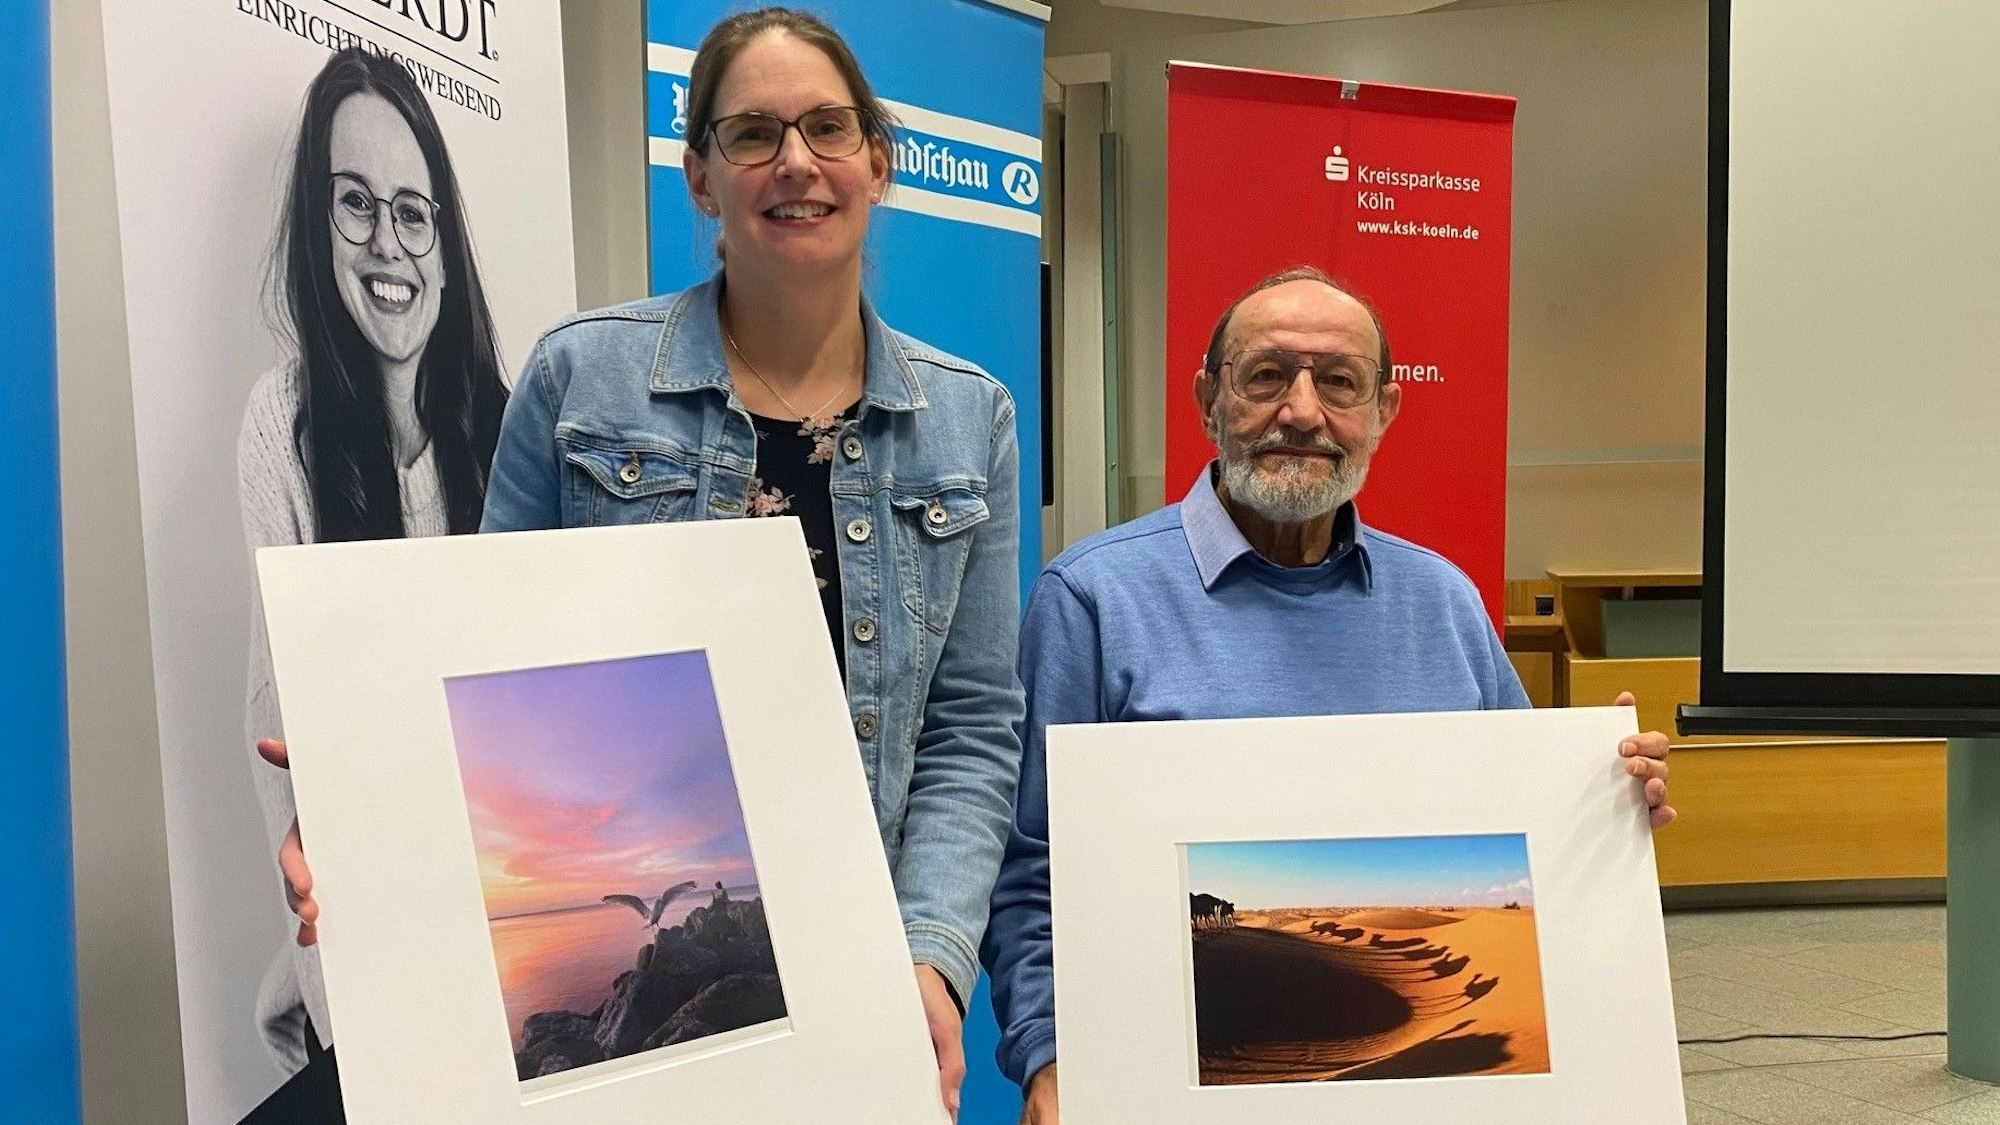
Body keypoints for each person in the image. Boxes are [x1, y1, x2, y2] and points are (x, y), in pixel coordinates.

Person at [264, 10, 1025, 1120]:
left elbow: (969, 730)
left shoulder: (970, 421)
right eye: (752, 133)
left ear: (877, 160)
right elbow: (477, 664)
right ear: (701, 177)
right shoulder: (582, 378)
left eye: (825, 128)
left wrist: (927, 957)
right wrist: (357, 778)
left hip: (855, 972)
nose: (795, 163)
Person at [978, 267, 1676, 1124]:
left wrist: (1598, 798)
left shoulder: (1443, 601)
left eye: (1338, 382)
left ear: (1383, 412)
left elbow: (1532, 843)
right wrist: (1049, 1057)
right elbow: (1030, 872)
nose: (1302, 412)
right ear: (1209, 399)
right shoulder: (1094, 599)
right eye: (1266, 375)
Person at [237, 44, 506, 1113]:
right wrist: (365, 1035)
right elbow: (282, 738)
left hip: (508, 936)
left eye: (413, 210)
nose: (388, 244)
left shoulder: (506, 421)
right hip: (372, 982)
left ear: (443, 243)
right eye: (356, 205)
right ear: (318, 221)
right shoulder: (284, 423)